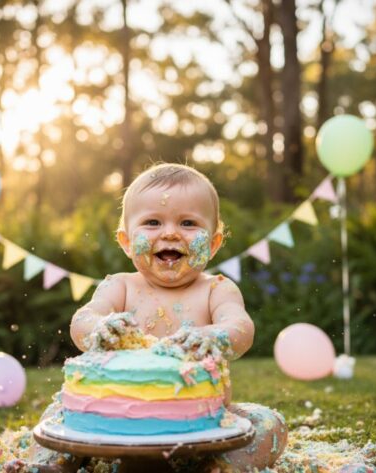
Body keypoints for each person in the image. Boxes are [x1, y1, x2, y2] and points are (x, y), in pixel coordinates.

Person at [19, 163, 287, 473]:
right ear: (126, 241)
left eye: (188, 223)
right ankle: (48, 466)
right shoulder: (119, 286)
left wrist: (215, 336)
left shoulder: (217, 289)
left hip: (203, 427)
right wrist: (100, 328)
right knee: (60, 413)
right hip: (113, 424)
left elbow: (241, 327)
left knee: (269, 423)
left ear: (213, 244)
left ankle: (218, 468)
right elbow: (83, 319)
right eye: (152, 222)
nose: (170, 232)